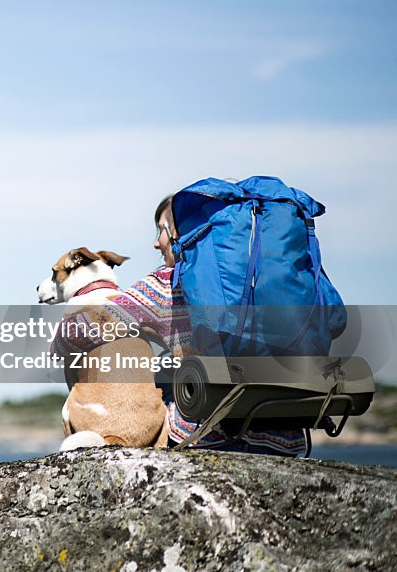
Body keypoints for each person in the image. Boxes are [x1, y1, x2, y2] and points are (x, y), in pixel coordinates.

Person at [54, 194, 307, 456]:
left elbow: (81, 330)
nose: (155, 243)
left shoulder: (165, 285)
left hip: (203, 437)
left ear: (184, 234)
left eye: (161, 231)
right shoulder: (289, 280)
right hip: (285, 440)